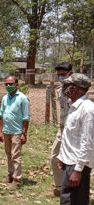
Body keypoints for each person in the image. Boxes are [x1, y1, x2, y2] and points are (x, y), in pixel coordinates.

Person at [58, 73, 94, 205]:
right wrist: (62, 156)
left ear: (75, 88)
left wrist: (78, 170)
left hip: (77, 164)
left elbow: (87, 142)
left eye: (67, 85)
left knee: (74, 200)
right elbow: (70, 136)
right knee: (67, 199)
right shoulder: (73, 106)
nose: (64, 88)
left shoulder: (87, 109)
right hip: (69, 161)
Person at [0, 75, 30, 190]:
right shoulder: (5, 98)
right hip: (6, 130)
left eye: (10, 84)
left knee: (16, 156)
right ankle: (10, 175)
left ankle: (18, 180)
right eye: (6, 84)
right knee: (9, 154)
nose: (8, 86)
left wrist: (23, 133)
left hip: (17, 132)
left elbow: (26, 118)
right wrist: (0, 131)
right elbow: (1, 115)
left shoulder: (22, 98)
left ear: (16, 85)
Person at [47, 62, 73, 197]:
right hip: (62, 129)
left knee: (72, 162)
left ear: (70, 73)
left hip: (74, 132)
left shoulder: (76, 91)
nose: (60, 77)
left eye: (63, 74)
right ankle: (59, 188)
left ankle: (73, 190)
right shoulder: (59, 90)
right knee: (54, 157)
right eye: (58, 75)